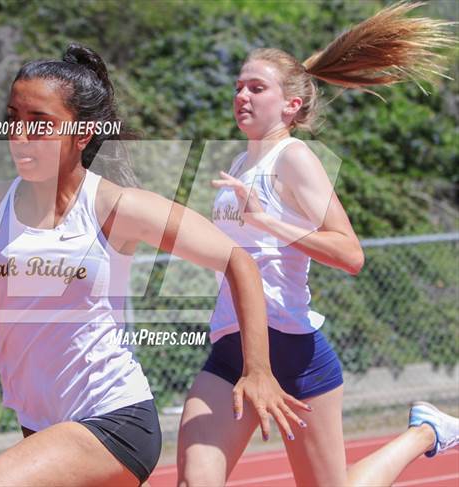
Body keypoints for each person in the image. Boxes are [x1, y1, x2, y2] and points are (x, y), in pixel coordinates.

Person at [0, 44, 310, 487]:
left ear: (83, 133)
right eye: (14, 118)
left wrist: (257, 370)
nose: (21, 135)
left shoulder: (114, 206)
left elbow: (238, 261)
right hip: (40, 426)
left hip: (113, 420)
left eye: (40, 123)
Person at [177, 3, 459, 486]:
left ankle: (427, 433)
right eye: (239, 86)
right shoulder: (239, 165)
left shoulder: (294, 158)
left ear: (291, 105)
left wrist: (268, 221)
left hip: (294, 352)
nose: (242, 95)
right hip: (232, 349)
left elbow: (350, 254)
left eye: (256, 88)